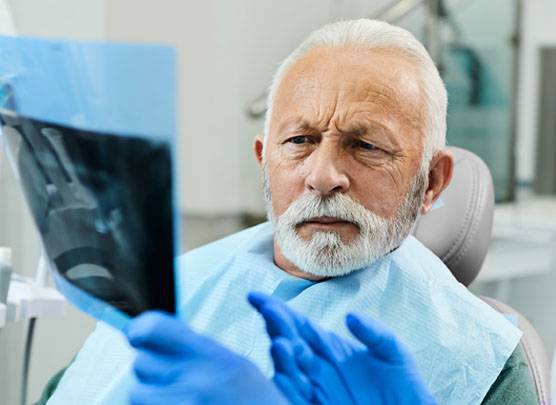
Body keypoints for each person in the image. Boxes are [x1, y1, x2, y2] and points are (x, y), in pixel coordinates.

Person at [37, 19, 536, 404]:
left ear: (431, 181)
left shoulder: (478, 359)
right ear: (264, 160)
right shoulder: (168, 291)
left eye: (364, 145)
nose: (322, 176)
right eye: (299, 140)